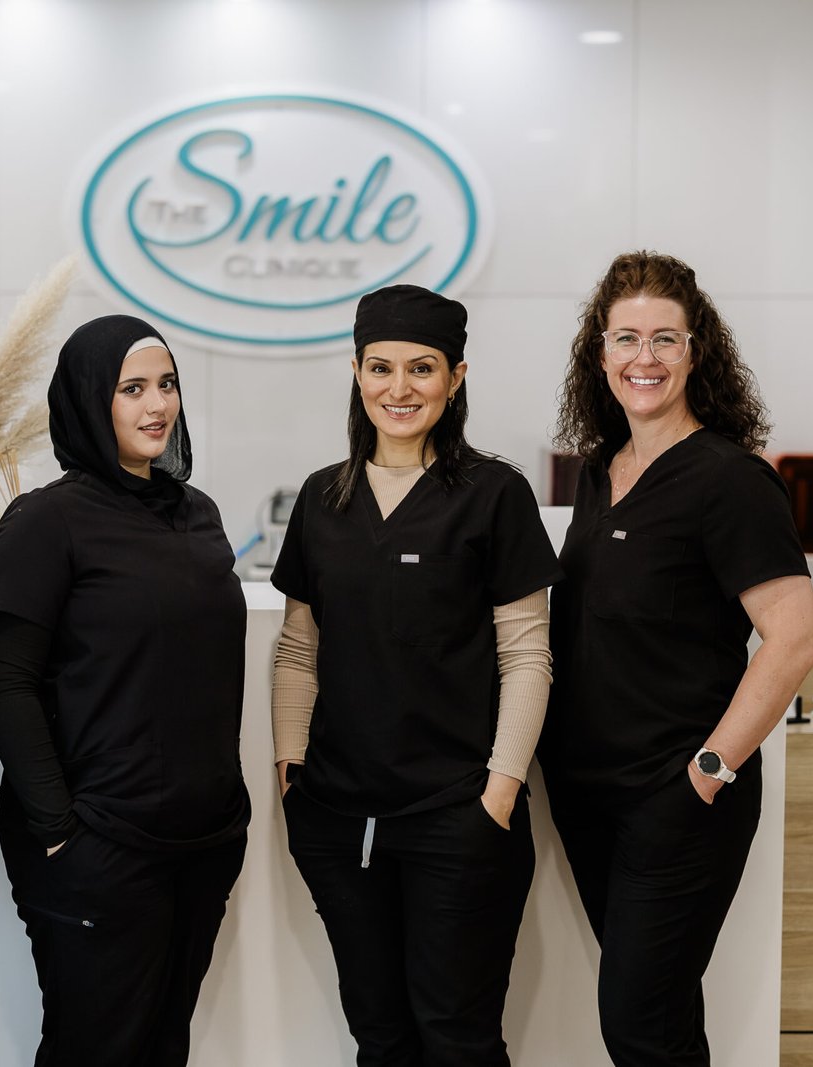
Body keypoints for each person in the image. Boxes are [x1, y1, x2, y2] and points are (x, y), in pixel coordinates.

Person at [540, 251, 813, 1066]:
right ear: (600, 353)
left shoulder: (730, 479)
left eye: (665, 338)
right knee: (658, 1020)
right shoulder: (602, 471)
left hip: (675, 799)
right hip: (589, 796)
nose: (646, 357)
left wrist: (708, 769)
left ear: (698, 351)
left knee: (638, 1021)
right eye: (626, 338)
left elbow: (794, 638)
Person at [270, 284, 562, 1066]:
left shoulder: (494, 495)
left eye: (422, 368)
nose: (399, 388)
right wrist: (291, 771)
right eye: (381, 367)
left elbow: (526, 652)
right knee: (380, 1037)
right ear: (357, 373)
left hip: (457, 815)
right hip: (339, 818)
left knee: (458, 1039)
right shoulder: (322, 498)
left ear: (455, 378)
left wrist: (498, 793)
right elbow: (298, 648)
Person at [0, 314, 249, 1067]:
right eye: (132, 388)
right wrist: (60, 830)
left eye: (167, 385)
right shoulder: (45, 521)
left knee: (163, 1048)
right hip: (97, 846)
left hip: (202, 842)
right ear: (90, 399)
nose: (157, 405)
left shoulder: (198, 513)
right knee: (95, 1050)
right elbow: (6, 680)